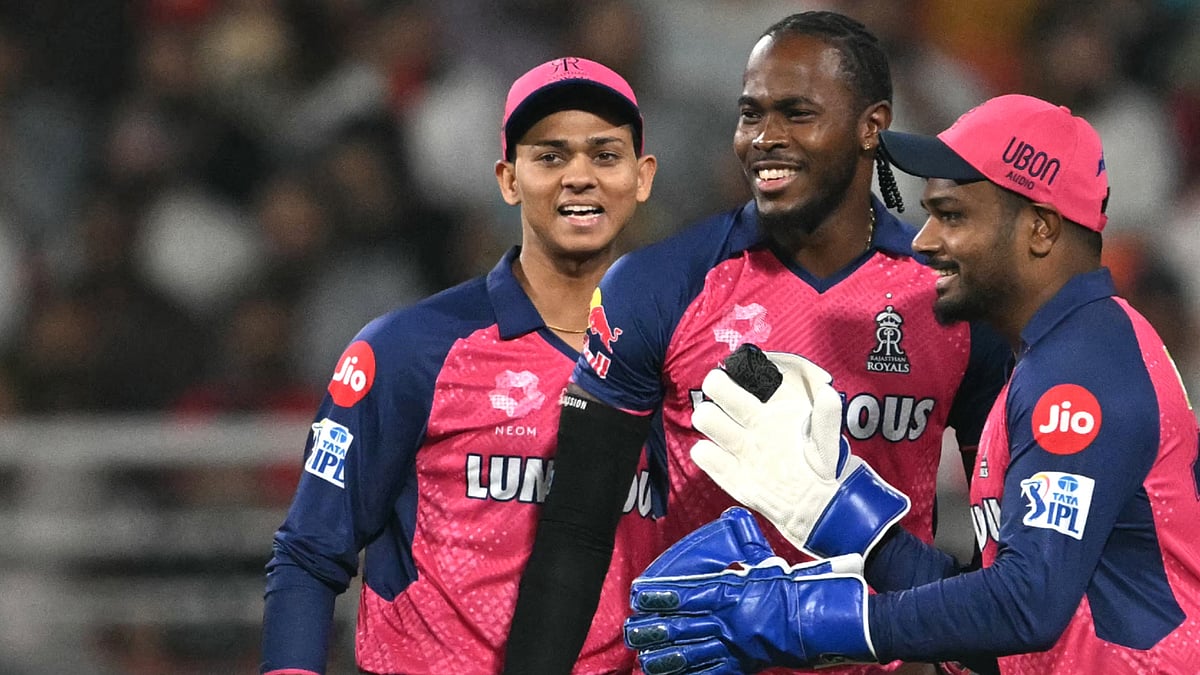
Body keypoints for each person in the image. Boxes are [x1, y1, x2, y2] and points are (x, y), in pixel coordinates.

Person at [502, 11, 1009, 675]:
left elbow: (1002, 551)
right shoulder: (660, 287)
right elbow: (573, 530)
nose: (764, 138)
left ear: (871, 127)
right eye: (751, 114)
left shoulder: (954, 302)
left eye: (796, 113)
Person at [624, 94, 1200, 674]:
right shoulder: (1054, 357)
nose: (922, 241)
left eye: (951, 216)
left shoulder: (1080, 374)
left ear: (1040, 229)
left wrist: (804, 617)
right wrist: (838, 511)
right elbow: (996, 623)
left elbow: (1026, 607)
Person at [260, 57, 661, 675]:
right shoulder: (409, 348)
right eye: (550, 157)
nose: (579, 177)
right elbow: (310, 551)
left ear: (642, 177)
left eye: (605, 155)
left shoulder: (687, 362)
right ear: (508, 178)